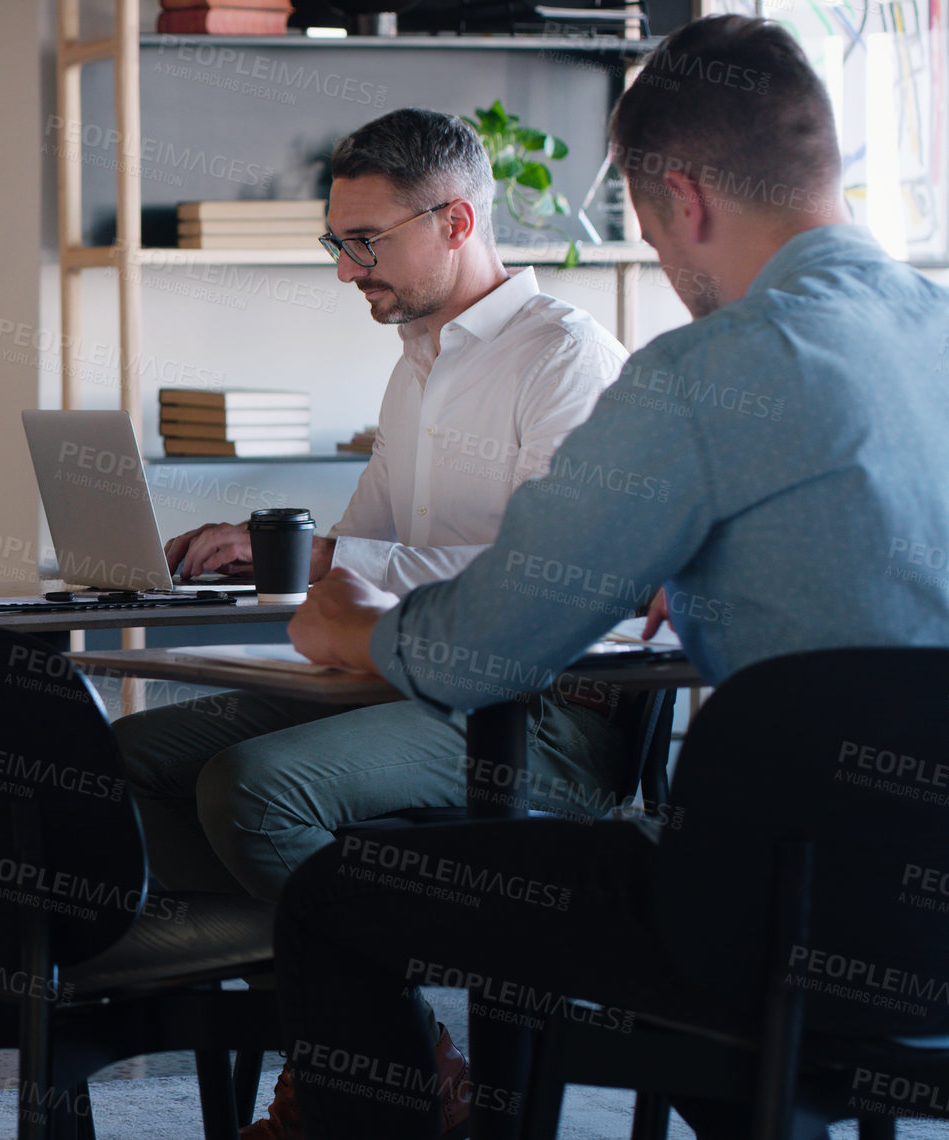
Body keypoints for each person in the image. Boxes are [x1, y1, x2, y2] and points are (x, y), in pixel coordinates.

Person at [274, 15, 949, 1140]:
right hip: (916, 928)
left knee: (339, 897)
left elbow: (485, 647)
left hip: (784, 921)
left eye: (643, 224)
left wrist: (357, 632)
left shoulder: (706, 372)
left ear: (680, 198)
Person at [117, 108, 631, 903]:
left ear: (455, 222)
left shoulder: (565, 360)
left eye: (366, 242)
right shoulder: (416, 368)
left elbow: (549, 582)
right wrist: (268, 558)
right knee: (126, 756)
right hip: (404, 678)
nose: (345, 271)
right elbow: (359, 554)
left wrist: (327, 559)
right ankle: (299, 983)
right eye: (337, 243)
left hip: (544, 719)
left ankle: (386, 1020)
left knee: (251, 787)